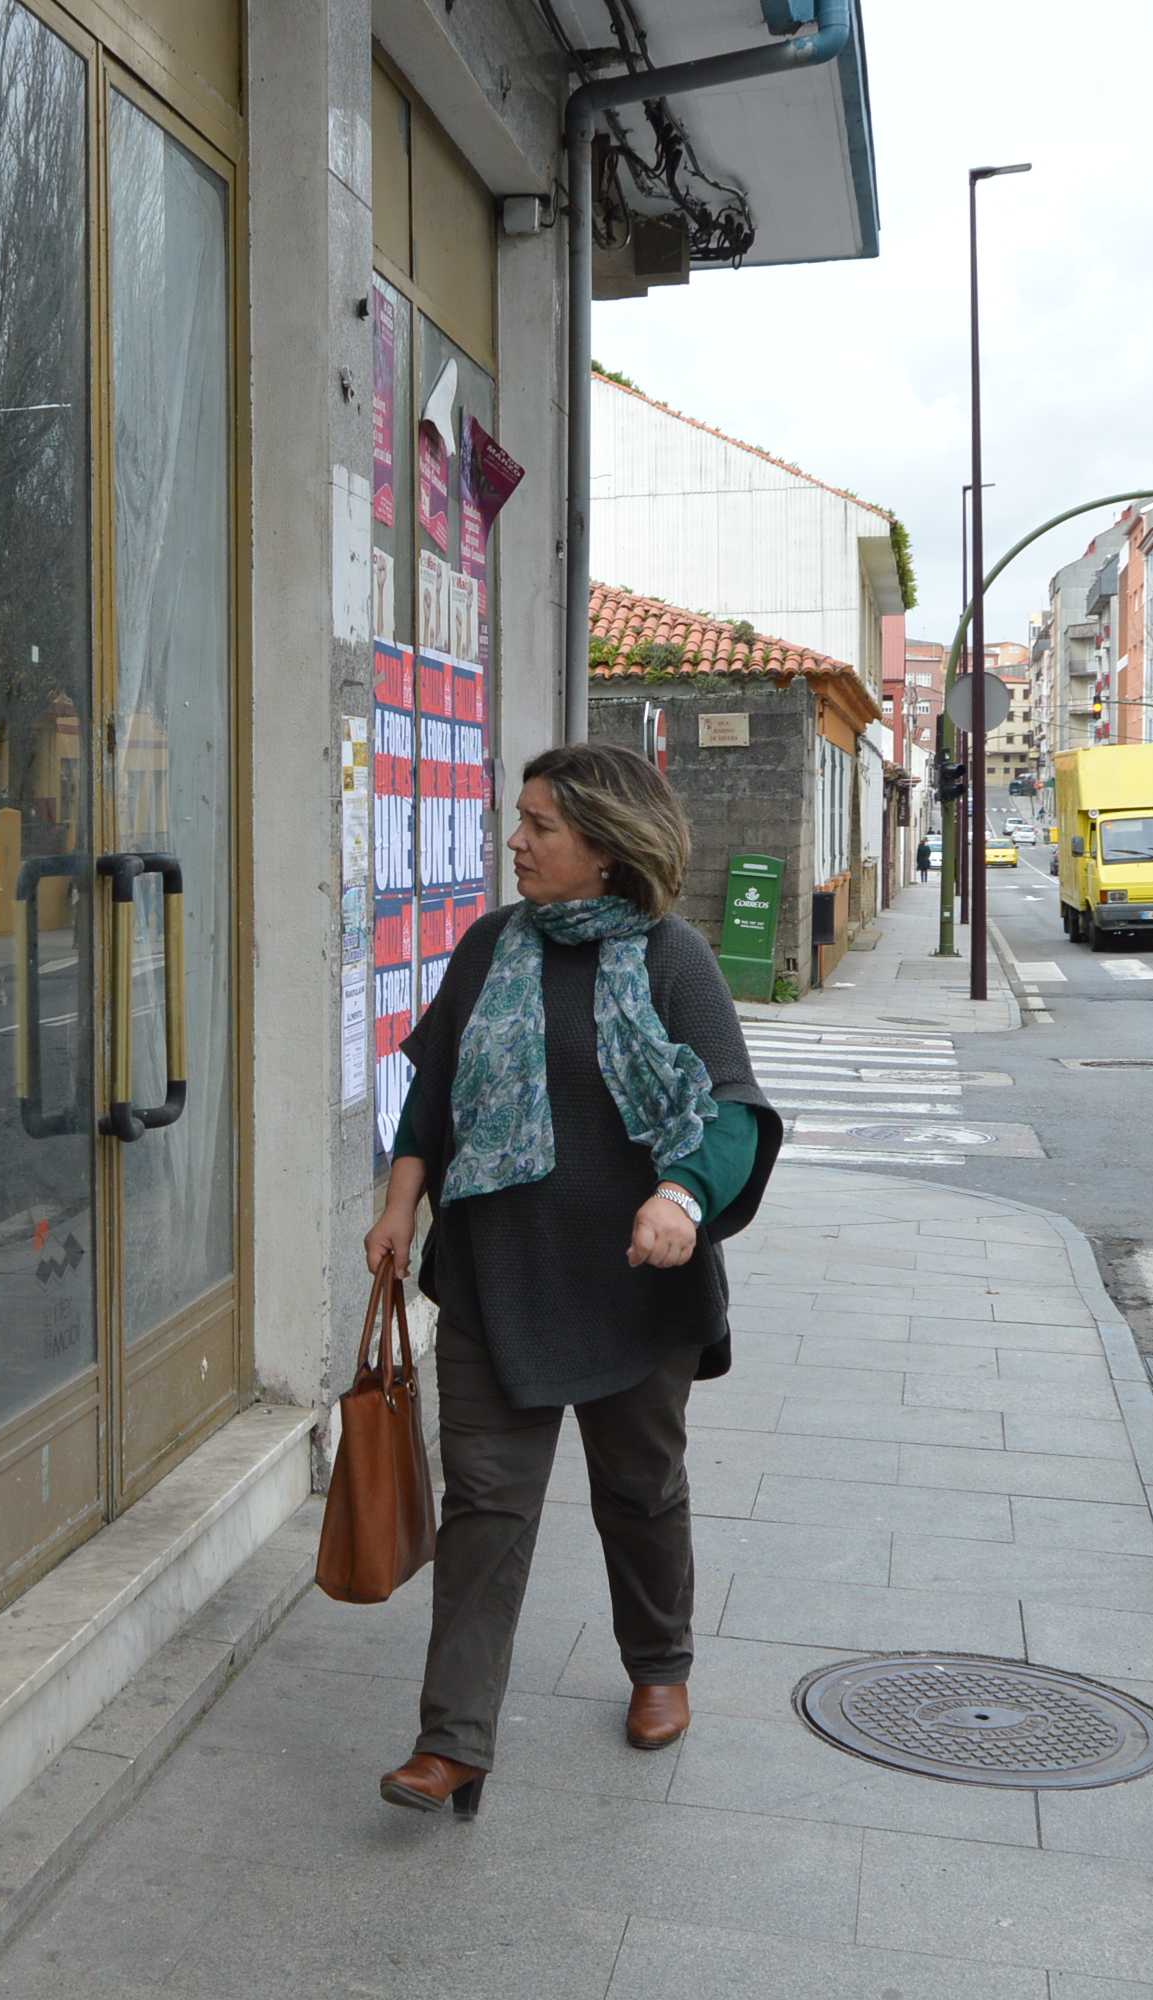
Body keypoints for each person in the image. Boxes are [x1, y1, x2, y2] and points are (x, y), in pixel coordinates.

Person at [362, 743, 782, 1818]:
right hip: (498, 1273)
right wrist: (400, 1202)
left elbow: (732, 1110)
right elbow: (435, 1091)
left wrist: (680, 1196)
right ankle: (451, 1742)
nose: (516, 841)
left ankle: (659, 1661)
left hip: (634, 1284)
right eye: (520, 819)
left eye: (539, 825)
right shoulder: (489, 944)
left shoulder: (671, 958)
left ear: (604, 846)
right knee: (485, 1507)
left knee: (638, 1489)